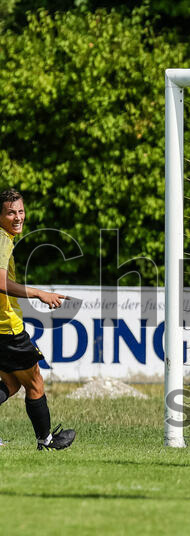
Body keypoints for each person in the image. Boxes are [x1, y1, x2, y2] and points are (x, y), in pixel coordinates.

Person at [0, 189, 76, 451]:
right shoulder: (2, 240)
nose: (18, 217)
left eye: (20, 211)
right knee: (34, 382)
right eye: (11, 212)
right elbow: (0, 283)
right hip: (7, 328)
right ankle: (46, 440)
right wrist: (39, 293)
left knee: (10, 384)